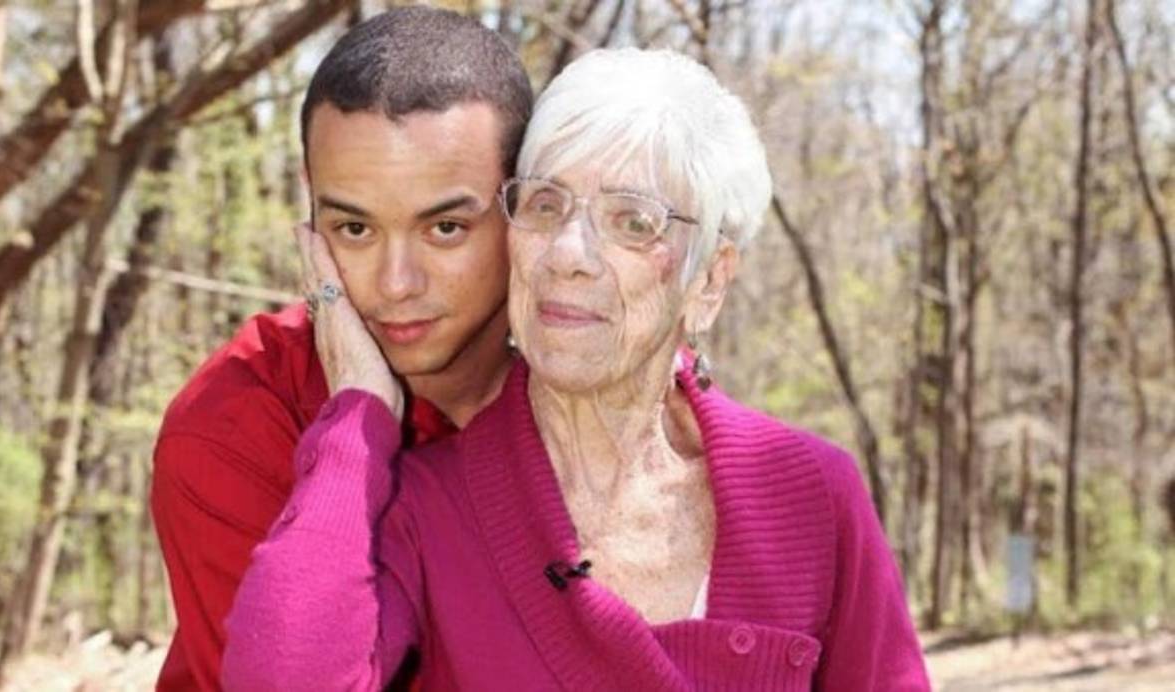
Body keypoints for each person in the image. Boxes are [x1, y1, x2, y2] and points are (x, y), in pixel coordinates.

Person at [222, 48, 931, 690]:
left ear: (709, 281)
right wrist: (357, 413)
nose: (568, 252)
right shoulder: (426, 507)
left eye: (633, 221)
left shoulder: (809, 496)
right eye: (545, 204)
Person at [149, 7, 532, 689]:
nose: (395, 284)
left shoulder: (583, 386)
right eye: (354, 228)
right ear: (311, 217)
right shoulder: (233, 423)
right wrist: (358, 422)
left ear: (523, 210)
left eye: (445, 227)